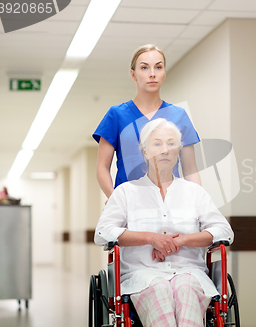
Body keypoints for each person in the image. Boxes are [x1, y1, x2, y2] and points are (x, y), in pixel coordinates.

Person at [94, 119, 233, 327]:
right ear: (145, 151)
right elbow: (102, 232)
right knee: (159, 288)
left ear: (178, 151)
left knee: (185, 288)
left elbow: (224, 231)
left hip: (190, 273)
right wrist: (151, 238)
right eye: (157, 144)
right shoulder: (126, 192)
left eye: (171, 143)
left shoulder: (194, 192)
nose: (165, 150)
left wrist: (182, 241)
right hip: (142, 276)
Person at [93, 44, 201, 200]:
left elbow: (191, 170)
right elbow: (102, 168)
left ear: (164, 73)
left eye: (158, 67)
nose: (152, 74)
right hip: (128, 204)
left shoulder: (179, 116)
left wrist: (197, 204)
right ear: (133, 74)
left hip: (171, 204)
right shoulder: (116, 115)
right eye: (144, 68)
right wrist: (114, 200)